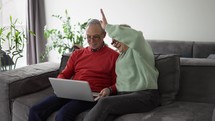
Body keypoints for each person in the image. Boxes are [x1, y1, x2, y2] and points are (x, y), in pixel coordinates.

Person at [28, 19, 119, 121]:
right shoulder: (77, 54)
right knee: (35, 110)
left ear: (104, 35)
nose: (92, 41)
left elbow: (119, 83)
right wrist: (61, 82)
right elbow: (64, 74)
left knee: (63, 115)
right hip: (71, 91)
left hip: (93, 95)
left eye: (96, 37)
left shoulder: (114, 56)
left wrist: (109, 89)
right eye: (89, 37)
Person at [83, 9, 160, 121]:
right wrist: (109, 90)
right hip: (124, 96)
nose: (114, 44)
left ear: (126, 37)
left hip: (145, 96)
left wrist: (107, 27)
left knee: (105, 103)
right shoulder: (121, 57)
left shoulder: (140, 50)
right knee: (106, 115)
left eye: (116, 40)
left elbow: (136, 36)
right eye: (112, 41)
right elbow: (123, 82)